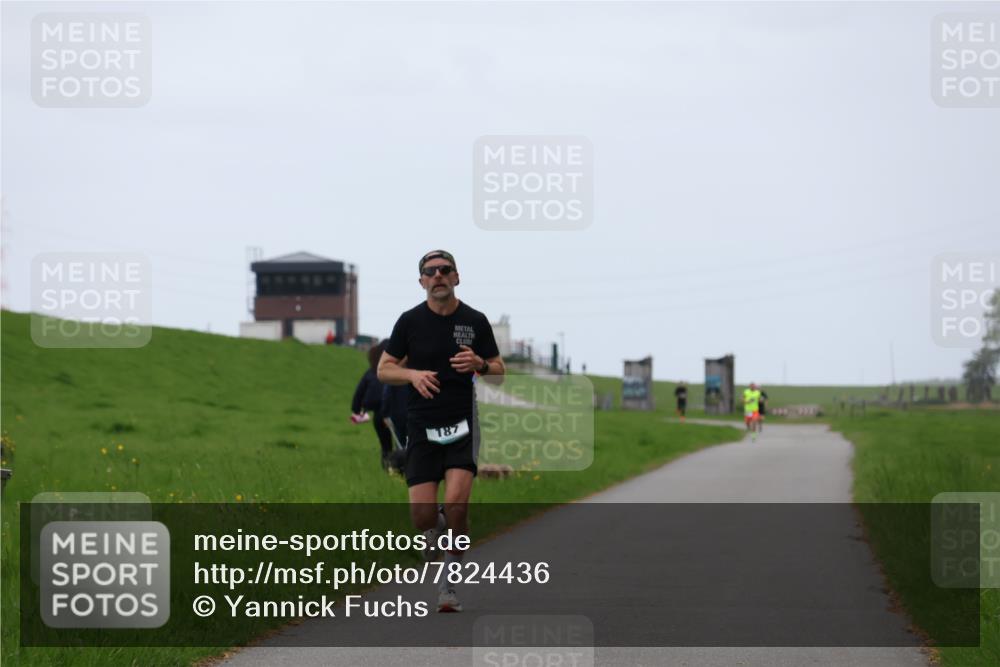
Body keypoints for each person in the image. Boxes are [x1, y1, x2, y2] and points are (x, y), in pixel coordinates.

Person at [377, 250, 504, 613]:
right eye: (430, 272)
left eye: (445, 270)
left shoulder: (475, 321)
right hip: (422, 426)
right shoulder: (409, 322)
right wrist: (412, 375)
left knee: (458, 502)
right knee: (422, 517)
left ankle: (448, 586)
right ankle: (440, 524)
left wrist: (480, 363)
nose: (438, 276)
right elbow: (385, 370)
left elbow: (498, 372)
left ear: (457, 277)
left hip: (463, 422)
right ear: (422, 282)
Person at [351, 341, 393, 469]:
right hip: (396, 413)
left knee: (385, 445)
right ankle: (402, 470)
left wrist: (356, 410)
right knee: (402, 443)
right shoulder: (399, 370)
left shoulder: (371, 372)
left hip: (378, 415)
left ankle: (388, 470)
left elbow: (359, 393)